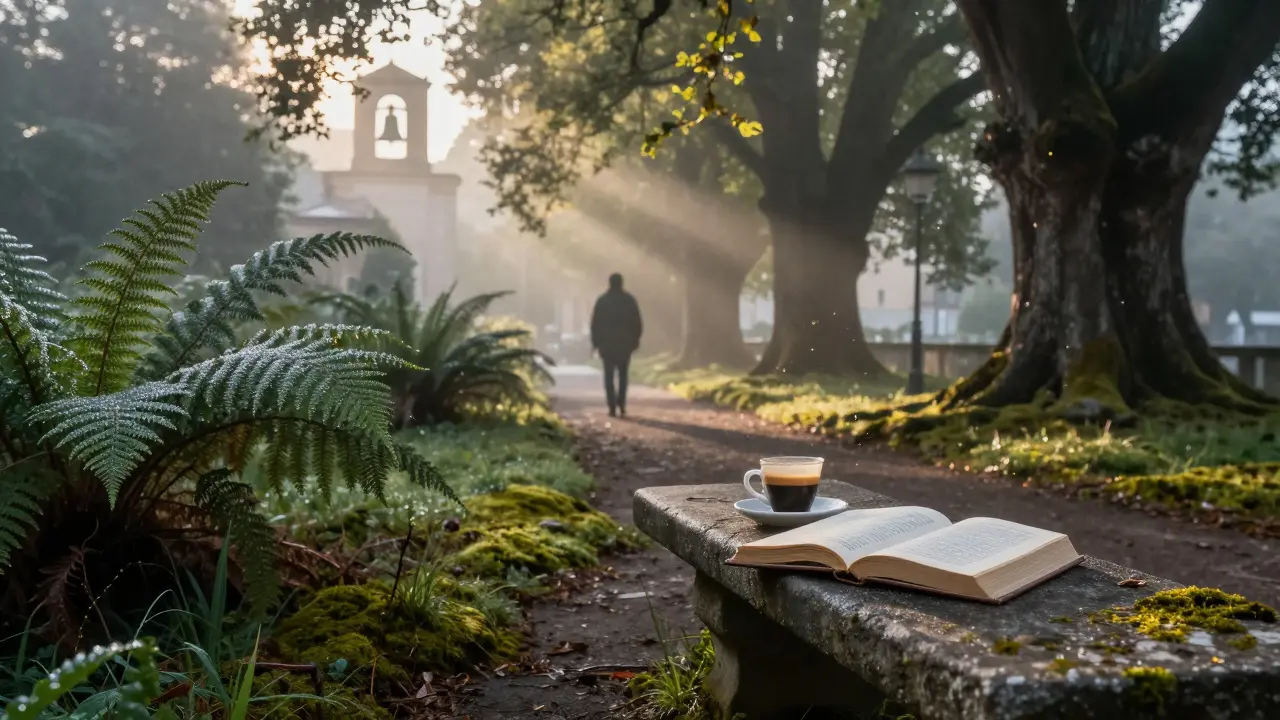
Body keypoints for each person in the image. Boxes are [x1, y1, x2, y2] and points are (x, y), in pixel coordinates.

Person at [590, 272, 643, 417]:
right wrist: (636, 339)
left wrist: (595, 342)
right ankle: (622, 402)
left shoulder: (602, 301)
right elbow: (637, 322)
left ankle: (611, 404)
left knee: (608, 375)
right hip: (624, 344)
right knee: (623, 374)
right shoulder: (629, 301)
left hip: (607, 344)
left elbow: (595, 323)